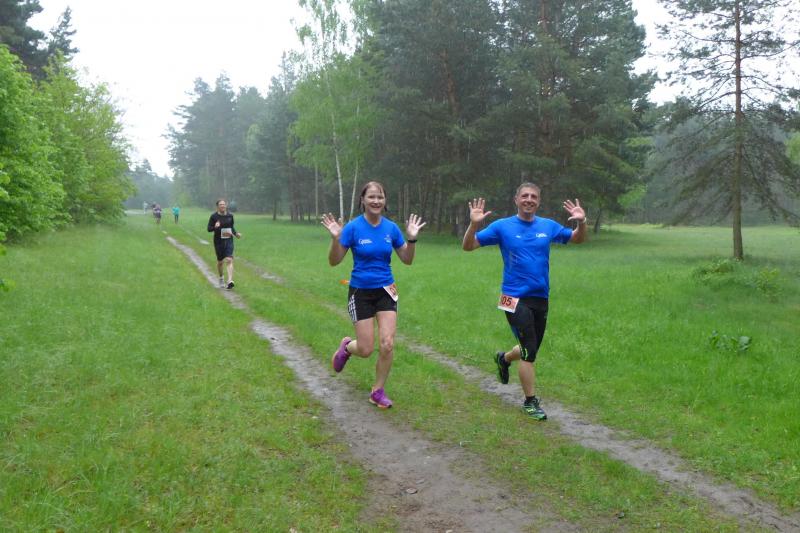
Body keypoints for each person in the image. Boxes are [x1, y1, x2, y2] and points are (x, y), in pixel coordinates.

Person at [462, 183, 586, 420]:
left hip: (540, 296)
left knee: (531, 346)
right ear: (516, 199)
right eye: (525, 196)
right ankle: (530, 401)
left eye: (534, 197)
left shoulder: (548, 226)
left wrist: (581, 222)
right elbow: (468, 246)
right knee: (529, 350)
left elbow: (577, 239)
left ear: (538, 201)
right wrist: (474, 224)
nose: (529, 199)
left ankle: (504, 358)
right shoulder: (502, 226)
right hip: (512, 297)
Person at [321, 181, 425, 409]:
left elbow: (407, 260)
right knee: (366, 349)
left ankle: (377, 391)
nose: (376, 201)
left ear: (384, 201)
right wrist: (335, 238)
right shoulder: (353, 228)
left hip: (386, 290)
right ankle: (347, 347)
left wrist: (412, 239)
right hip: (360, 292)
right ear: (363, 200)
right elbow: (334, 261)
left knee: (387, 344)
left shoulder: (391, 228)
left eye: (380, 197)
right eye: (371, 197)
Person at [207, 199, 241, 289]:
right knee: (220, 262)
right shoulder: (214, 216)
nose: (222, 206)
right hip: (218, 241)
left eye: (224, 204)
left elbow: (231, 227)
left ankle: (230, 281)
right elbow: (209, 229)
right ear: (217, 206)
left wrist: (236, 234)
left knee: (229, 259)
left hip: (229, 240)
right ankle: (221, 278)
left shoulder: (230, 216)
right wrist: (215, 227)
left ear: (226, 205)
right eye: (220, 204)